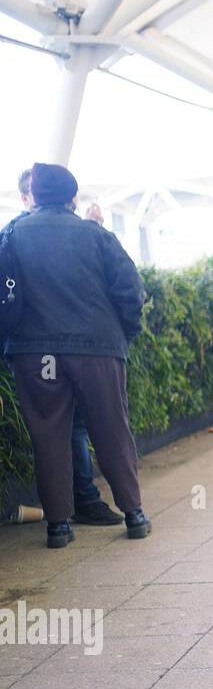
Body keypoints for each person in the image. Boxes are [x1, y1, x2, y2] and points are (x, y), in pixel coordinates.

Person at [1, 163, 150, 547]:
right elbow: (129, 289)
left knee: (49, 436)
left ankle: (58, 528)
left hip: (36, 354)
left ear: (33, 197)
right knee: (111, 429)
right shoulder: (93, 234)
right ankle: (134, 515)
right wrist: (124, 334)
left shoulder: (12, 234)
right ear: (73, 197)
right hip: (96, 350)